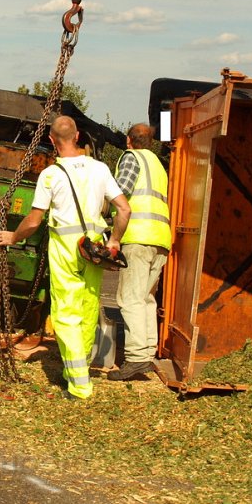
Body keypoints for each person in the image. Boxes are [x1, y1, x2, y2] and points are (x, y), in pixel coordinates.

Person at [0, 115, 131, 400]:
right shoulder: (100, 168)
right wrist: (115, 241)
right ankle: (75, 370)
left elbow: (34, 221)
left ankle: (80, 384)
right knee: (87, 308)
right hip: (93, 247)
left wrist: (12, 236)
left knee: (66, 314)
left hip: (66, 248)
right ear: (78, 135)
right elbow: (124, 209)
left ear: (51, 140)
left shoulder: (51, 174)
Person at [107, 123, 171, 381]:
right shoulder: (157, 164)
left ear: (128, 140)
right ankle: (145, 354)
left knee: (130, 298)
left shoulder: (131, 158)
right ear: (152, 142)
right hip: (160, 239)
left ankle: (134, 358)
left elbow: (120, 192)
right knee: (145, 298)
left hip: (138, 236)